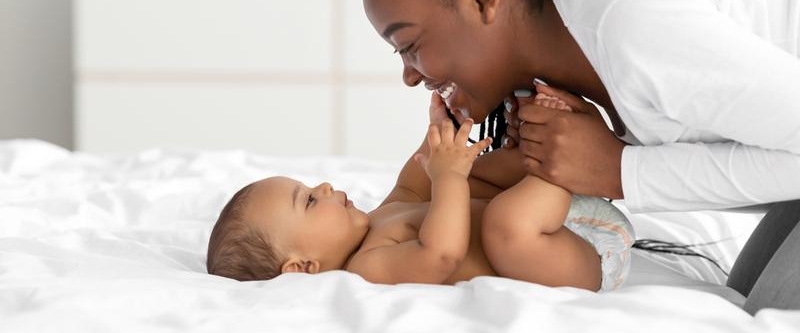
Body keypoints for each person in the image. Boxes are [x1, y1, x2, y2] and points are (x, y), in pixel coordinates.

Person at [361, 0, 800, 314]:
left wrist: (620, 172)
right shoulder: (590, 49)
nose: (408, 76)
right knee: (741, 302)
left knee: (766, 317)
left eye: (409, 45)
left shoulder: (636, 29)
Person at [206, 92, 635, 292]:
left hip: (560, 219)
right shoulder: (367, 269)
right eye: (310, 201)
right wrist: (448, 179)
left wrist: (440, 130)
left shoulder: (377, 218)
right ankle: (559, 163)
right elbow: (440, 254)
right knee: (501, 222)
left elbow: (416, 179)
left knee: (470, 173)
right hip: (582, 253)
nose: (323, 186)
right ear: (303, 267)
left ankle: (534, 148)